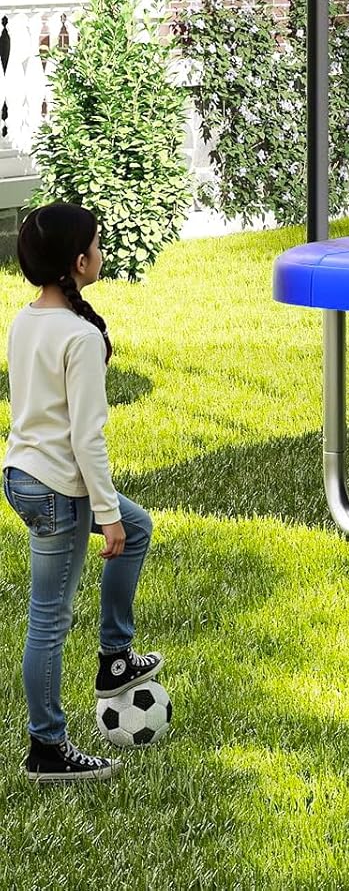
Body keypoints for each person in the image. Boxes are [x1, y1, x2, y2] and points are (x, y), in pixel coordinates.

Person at [3, 203, 160, 782]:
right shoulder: (80, 337)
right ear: (77, 261)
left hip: (21, 476)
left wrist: (118, 515)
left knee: (139, 526)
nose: (102, 251)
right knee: (49, 619)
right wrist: (105, 514)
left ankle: (115, 659)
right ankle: (47, 747)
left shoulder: (26, 321)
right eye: (97, 243)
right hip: (56, 488)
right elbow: (86, 439)